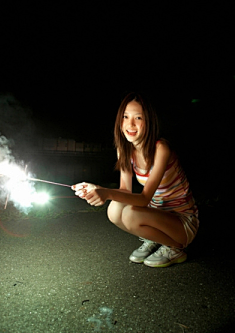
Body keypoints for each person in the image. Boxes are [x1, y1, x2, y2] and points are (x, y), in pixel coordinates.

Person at [72, 92, 199, 268]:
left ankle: (175, 248)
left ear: (149, 121)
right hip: (156, 214)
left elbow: (144, 198)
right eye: (125, 117)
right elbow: (125, 191)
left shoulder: (161, 148)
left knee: (130, 213)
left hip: (182, 222)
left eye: (138, 117)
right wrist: (98, 188)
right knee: (114, 209)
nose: (130, 124)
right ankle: (154, 239)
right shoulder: (124, 149)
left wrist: (106, 192)